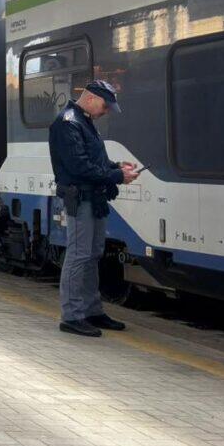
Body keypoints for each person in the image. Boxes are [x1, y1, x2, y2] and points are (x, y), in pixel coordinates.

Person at [48, 80, 139, 338]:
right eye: (105, 105)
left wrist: (118, 167)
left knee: (93, 254)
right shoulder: (67, 123)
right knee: (78, 255)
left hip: (95, 198)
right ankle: (72, 316)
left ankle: (91, 310)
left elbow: (96, 160)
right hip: (80, 199)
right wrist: (117, 176)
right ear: (89, 99)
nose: (106, 110)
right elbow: (80, 167)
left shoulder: (84, 121)